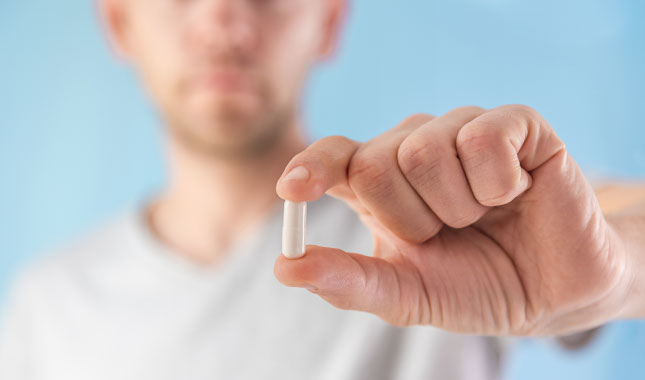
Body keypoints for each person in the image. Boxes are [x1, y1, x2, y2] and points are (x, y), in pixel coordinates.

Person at [0, 0, 643, 379]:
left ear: (328, 24)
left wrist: (614, 274)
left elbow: (610, 219)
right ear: (119, 25)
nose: (224, 21)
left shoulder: (445, 223)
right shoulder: (46, 306)